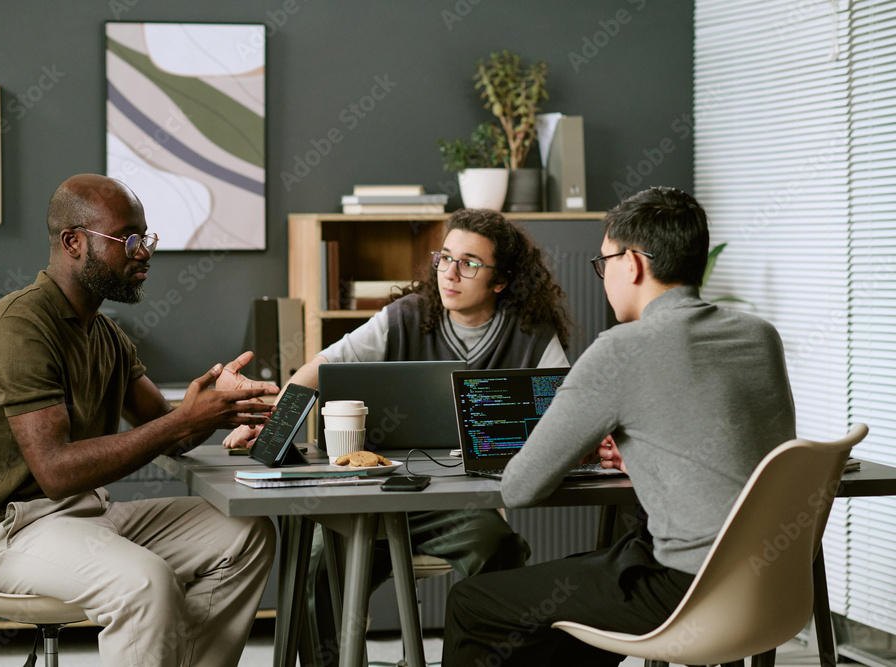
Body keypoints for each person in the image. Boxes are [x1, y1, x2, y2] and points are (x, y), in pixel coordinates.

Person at [440, 187, 797, 665]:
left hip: (688, 591)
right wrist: (645, 450)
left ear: (632, 264)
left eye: (603, 262)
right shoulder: (759, 336)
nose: (604, 275)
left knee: (473, 602)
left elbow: (522, 486)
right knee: (582, 579)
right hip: (775, 586)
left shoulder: (620, 349)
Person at [0, 174, 278, 667]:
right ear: (73, 242)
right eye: (128, 239)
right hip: (11, 532)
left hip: (86, 516)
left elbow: (168, 432)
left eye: (146, 238)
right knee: (146, 583)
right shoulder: (19, 328)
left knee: (246, 533)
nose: (144, 252)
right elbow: (56, 472)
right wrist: (183, 420)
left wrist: (214, 410)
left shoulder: (105, 334)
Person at [224, 207, 571, 665]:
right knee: (316, 565)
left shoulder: (531, 336)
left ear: (501, 280)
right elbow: (318, 369)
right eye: (444, 258)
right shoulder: (405, 317)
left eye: (469, 263)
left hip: (458, 507)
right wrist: (271, 427)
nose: (450, 273)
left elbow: (566, 413)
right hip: (371, 497)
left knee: (499, 546)